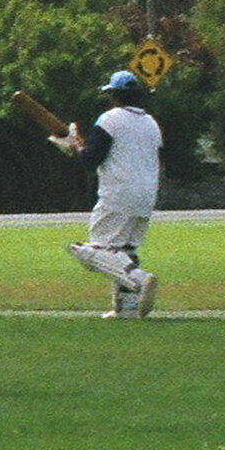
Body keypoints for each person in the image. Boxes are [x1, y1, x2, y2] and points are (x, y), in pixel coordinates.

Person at [55, 69, 164, 317]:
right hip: (146, 194)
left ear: (113, 95)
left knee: (93, 251)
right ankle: (126, 309)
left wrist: (71, 149)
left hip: (118, 193)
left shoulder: (110, 119)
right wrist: (77, 145)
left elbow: (90, 159)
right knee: (125, 250)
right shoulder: (151, 123)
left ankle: (138, 279)